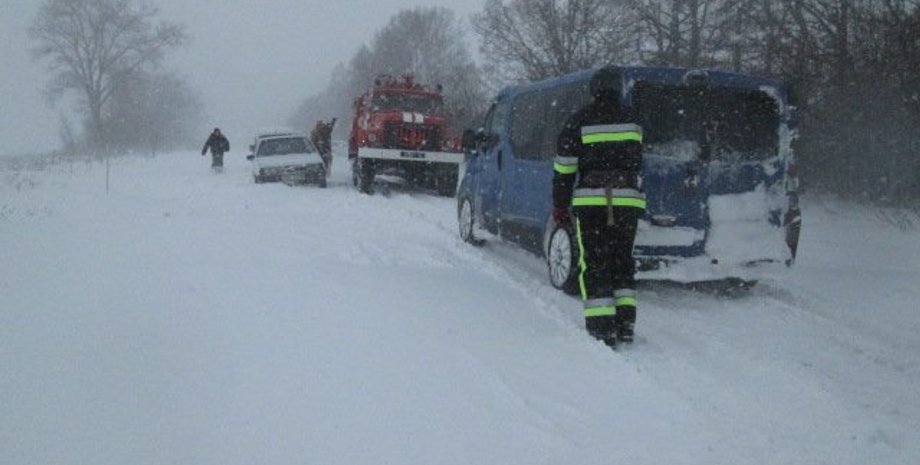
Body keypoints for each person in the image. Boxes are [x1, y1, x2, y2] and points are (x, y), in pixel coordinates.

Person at [552, 68, 646, 348]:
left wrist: (560, 203)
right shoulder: (634, 120)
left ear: (594, 89)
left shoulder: (579, 120)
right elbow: (638, 162)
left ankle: (601, 328)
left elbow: (564, 167)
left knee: (595, 264)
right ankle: (625, 323)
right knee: (623, 262)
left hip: (591, 203)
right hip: (628, 201)